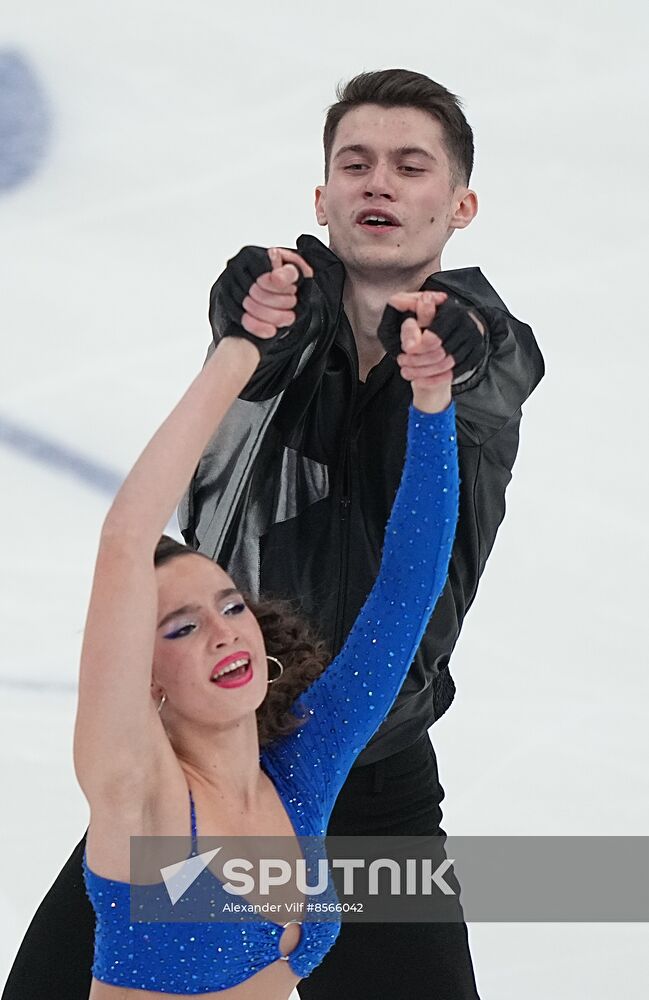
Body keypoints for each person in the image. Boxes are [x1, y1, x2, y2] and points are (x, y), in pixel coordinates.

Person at [2, 69, 544, 1000]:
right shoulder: (273, 327)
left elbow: (489, 366)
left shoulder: (483, 359)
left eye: (409, 166)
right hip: (203, 765)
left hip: (365, 776)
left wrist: (449, 360)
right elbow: (252, 345)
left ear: (459, 204)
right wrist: (246, 322)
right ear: (322, 196)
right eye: (355, 163)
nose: (378, 182)